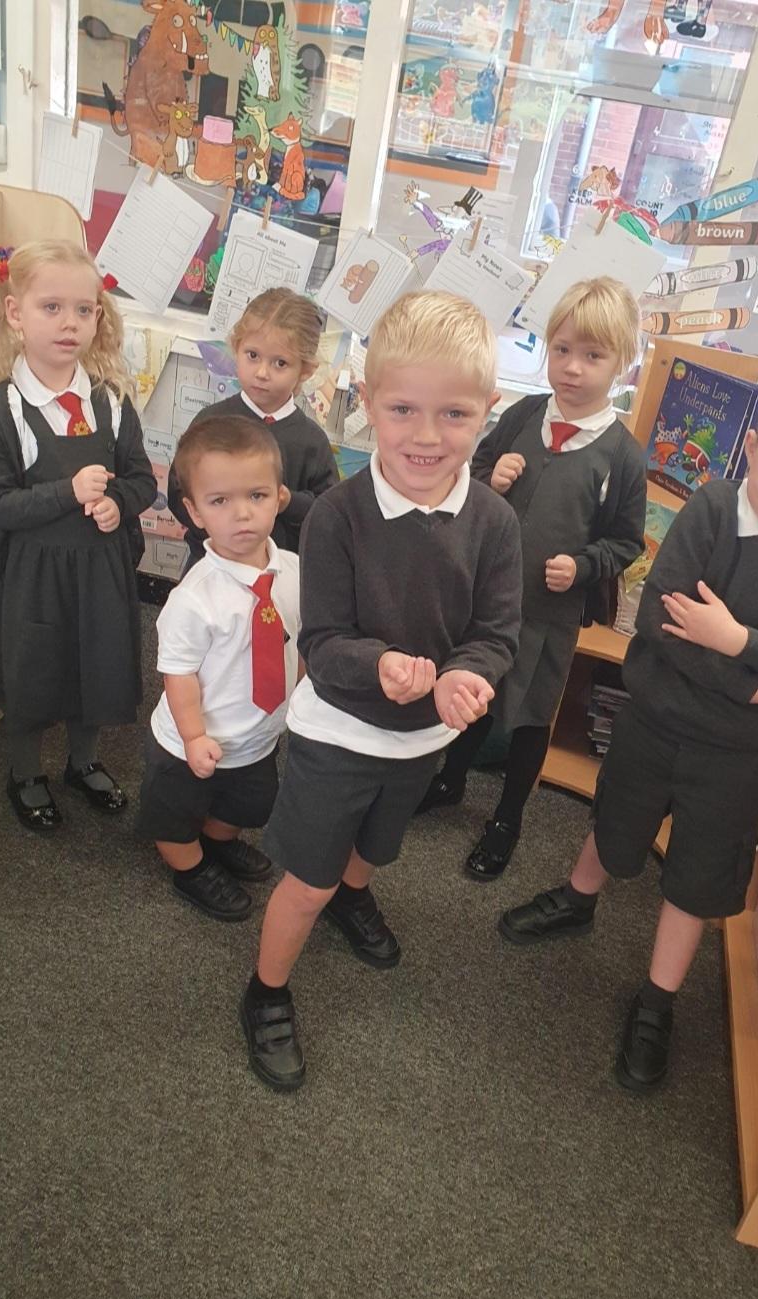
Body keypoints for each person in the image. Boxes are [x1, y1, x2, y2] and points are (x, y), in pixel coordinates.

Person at [500, 371, 758, 1092]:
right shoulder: (711, 507)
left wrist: (735, 639)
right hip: (655, 720)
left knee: (699, 873)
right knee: (614, 816)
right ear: (753, 447)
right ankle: (578, 898)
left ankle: (657, 999)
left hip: (734, 754)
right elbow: (661, 620)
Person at [239, 290, 525, 1092]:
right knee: (309, 879)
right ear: (366, 403)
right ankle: (266, 990)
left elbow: (495, 633)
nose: (427, 437)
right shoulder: (337, 516)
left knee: (374, 848)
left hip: (423, 739)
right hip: (339, 734)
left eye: (454, 414)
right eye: (403, 410)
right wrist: (382, 668)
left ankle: (353, 896)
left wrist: (467, 674)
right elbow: (325, 644)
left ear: (488, 409)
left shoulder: (495, 523)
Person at [417, 277, 646, 884]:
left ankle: (508, 818)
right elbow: (473, 467)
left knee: (529, 715)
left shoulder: (622, 455)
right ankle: (450, 778)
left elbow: (626, 541)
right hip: (488, 597)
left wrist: (584, 566)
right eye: (561, 349)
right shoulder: (523, 414)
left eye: (592, 356)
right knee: (473, 693)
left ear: (623, 365)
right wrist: (491, 476)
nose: (572, 367)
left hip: (550, 612)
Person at [0, 240, 157, 832]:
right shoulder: (2, 410)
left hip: (100, 570)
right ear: (15, 314)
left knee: (94, 666)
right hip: (34, 577)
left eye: (83, 309)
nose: (69, 323)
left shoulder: (111, 401)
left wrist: (118, 504)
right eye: (51, 308)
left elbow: (141, 480)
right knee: (33, 674)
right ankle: (25, 772)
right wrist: (68, 493)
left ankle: (84, 762)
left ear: (99, 316)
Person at [137, 416, 299, 922]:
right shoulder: (195, 597)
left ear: (280, 497)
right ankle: (191, 868)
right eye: (220, 501)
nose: (242, 514)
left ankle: (217, 843)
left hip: (257, 736)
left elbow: (298, 642)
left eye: (257, 495)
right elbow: (179, 674)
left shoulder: (295, 572)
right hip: (190, 743)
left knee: (246, 806)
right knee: (174, 818)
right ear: (194, 512)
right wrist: (192, 736)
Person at [168, 287, 337, 564]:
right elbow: (178, 492)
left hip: (280, 571)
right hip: (212, 565)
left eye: (280, 363)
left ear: (305, 370)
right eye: (252, 355)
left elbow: (329, 514)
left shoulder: (311, 441)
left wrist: (288, 502)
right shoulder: (211, 423)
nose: (262, 372)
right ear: (237, 348)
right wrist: (218, 523)